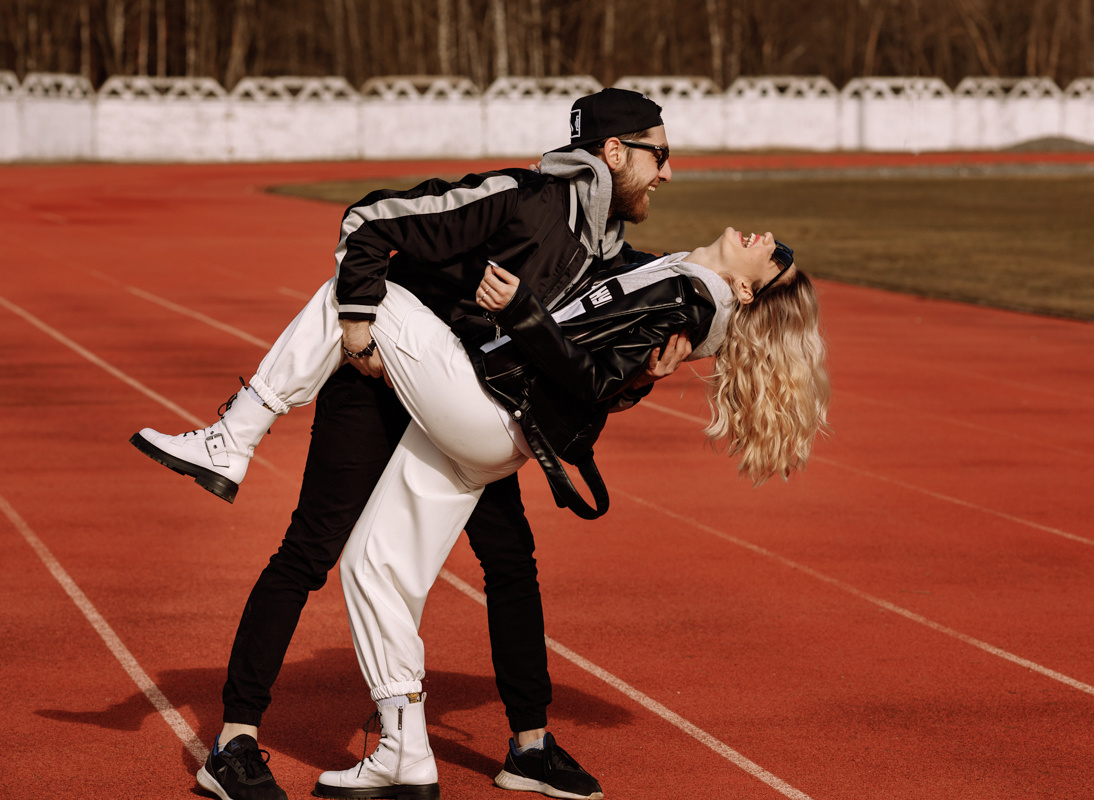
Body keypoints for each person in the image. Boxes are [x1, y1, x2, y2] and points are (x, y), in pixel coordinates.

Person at [141, 226, 830, 799]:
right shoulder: (671, 270)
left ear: (745, 289)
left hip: (478, 403)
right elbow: (606, 357)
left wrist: (526, 312)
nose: (766, 236)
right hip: (482, 418)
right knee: (373, 567)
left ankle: (231, 440)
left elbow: (589, 381)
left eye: (772, 255)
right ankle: (406, 748)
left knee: (356, 291)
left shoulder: (691, 299)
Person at [133, 88, 678, 800]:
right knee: (311, 547)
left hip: (459, 400)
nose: (668, 173)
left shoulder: (604, 254)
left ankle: (531, 747)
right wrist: (358, 321)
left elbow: (578, 366)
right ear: (615, 151)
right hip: (380, 379)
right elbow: (368, 222)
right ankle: (235, 742)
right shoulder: (517, 197)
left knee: (510, 559)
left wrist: (640, 378)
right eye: (660, 155)